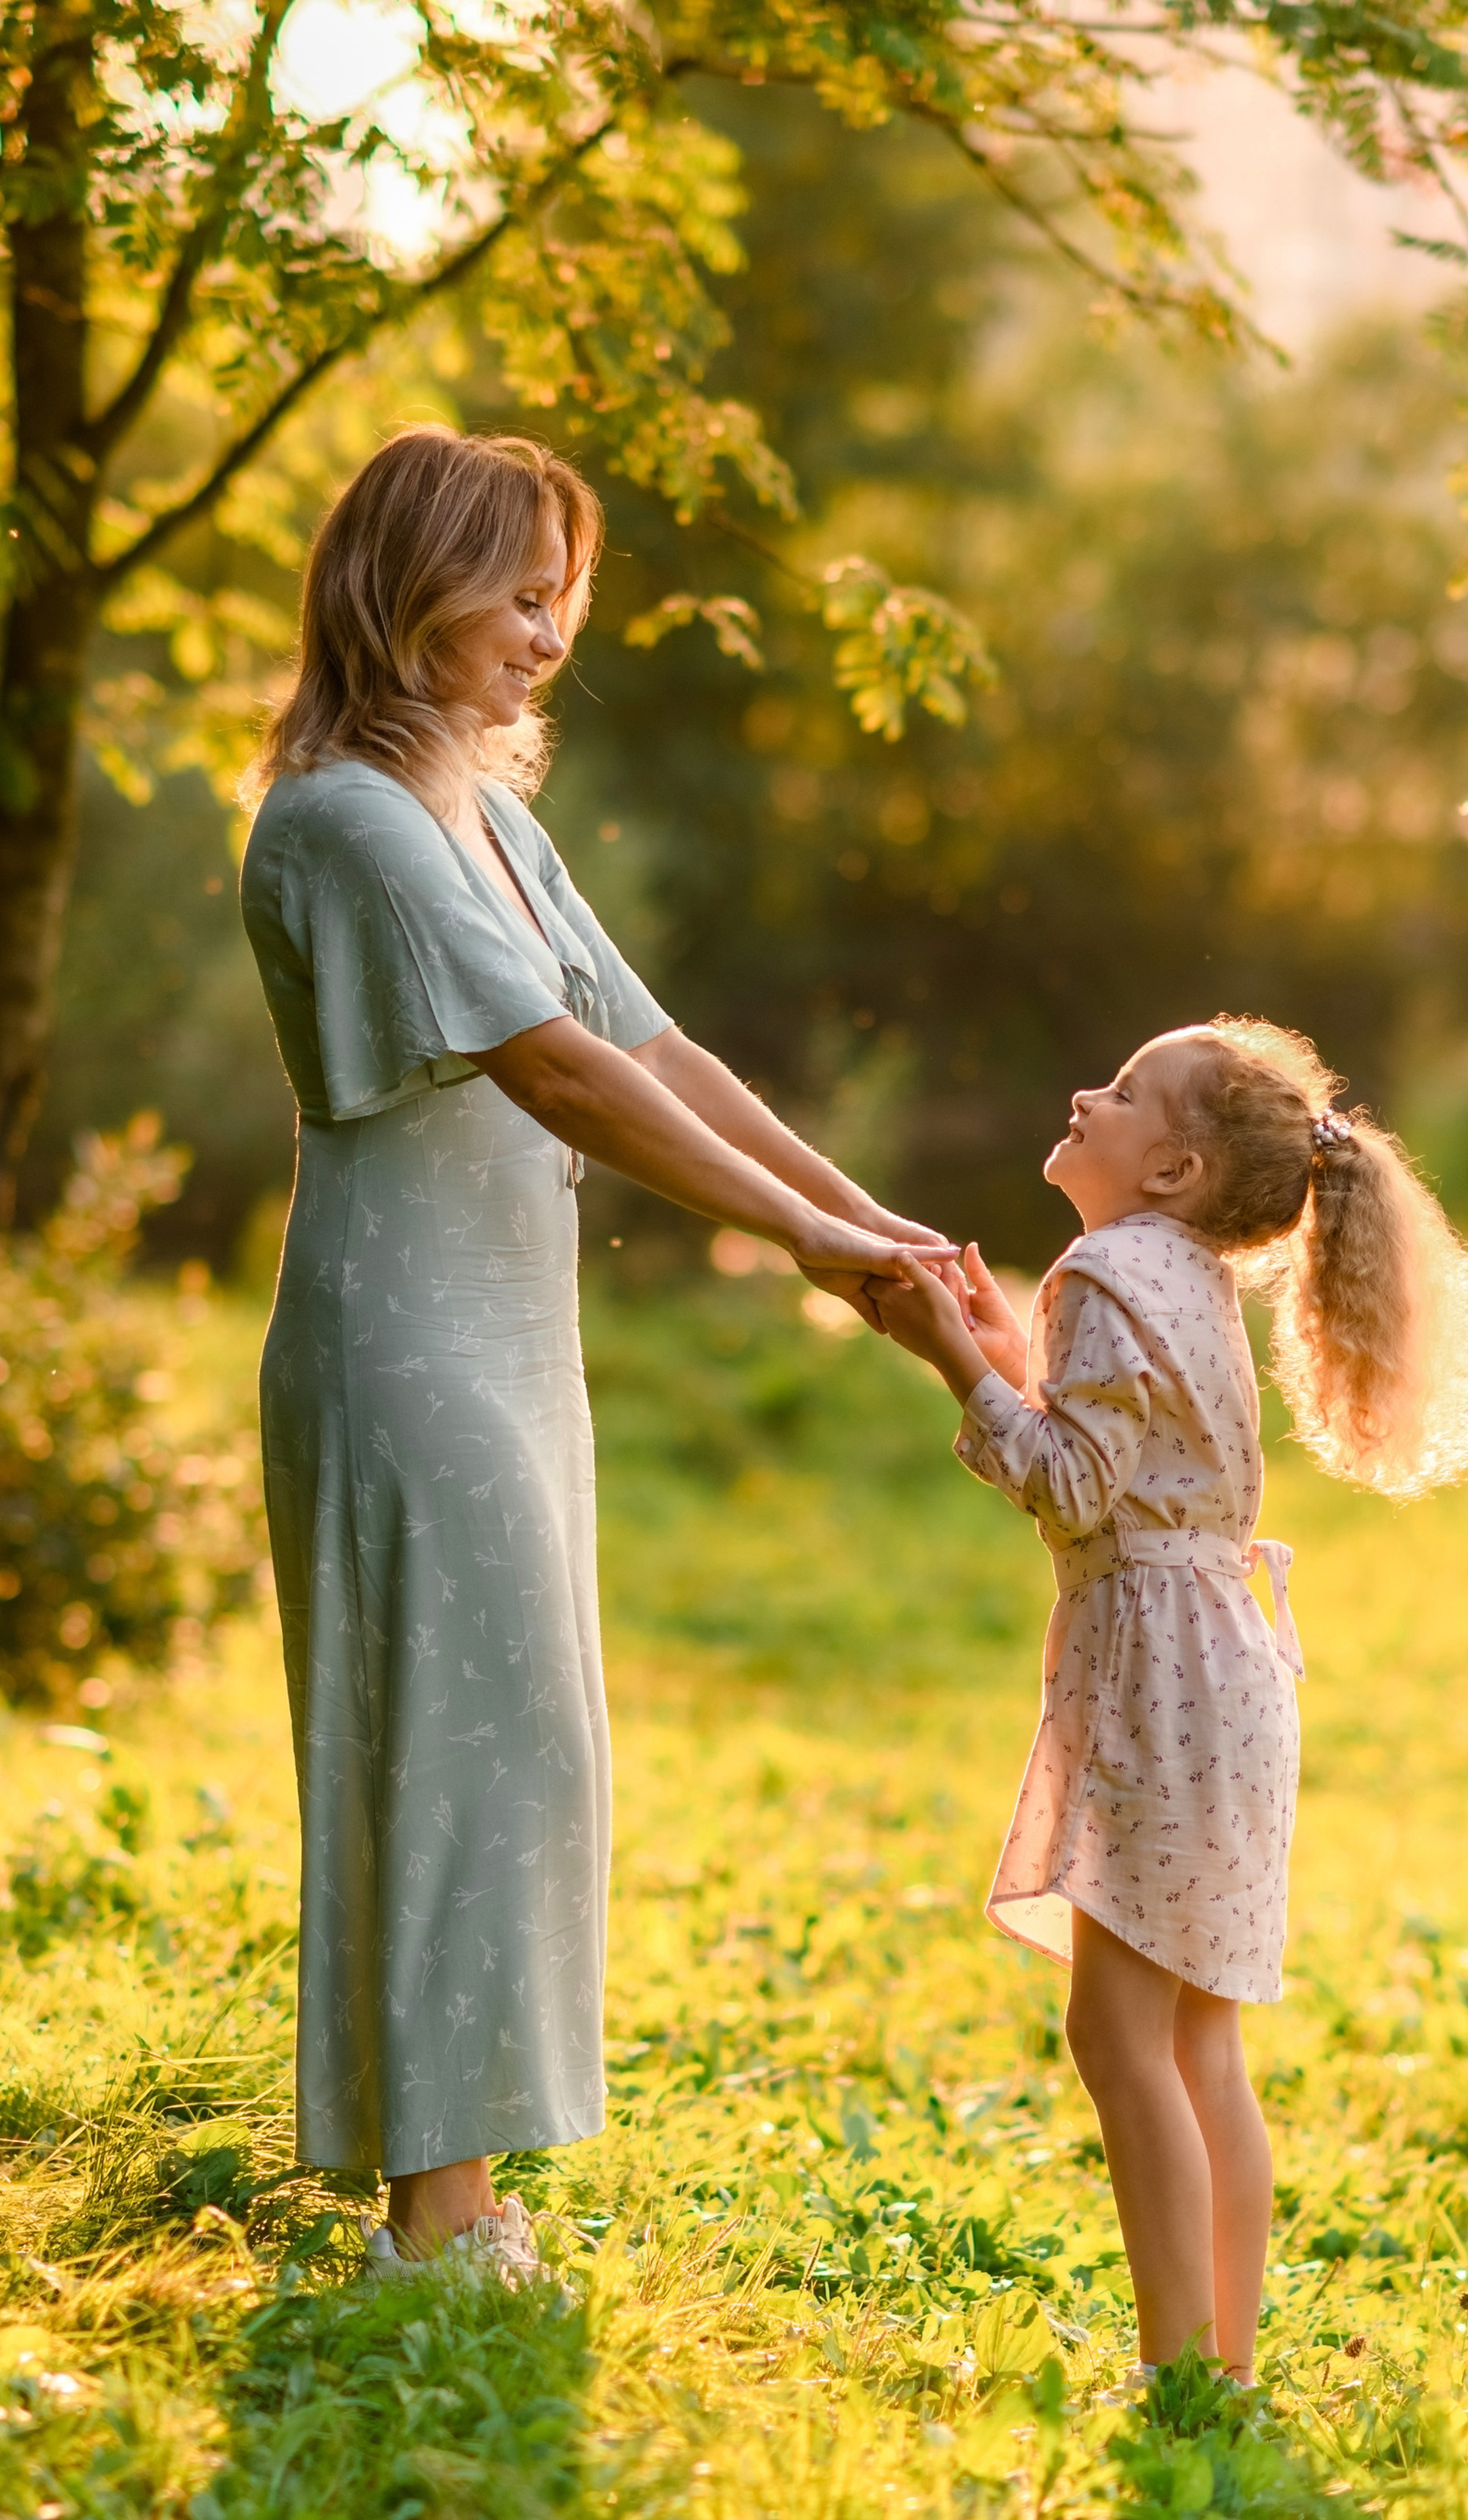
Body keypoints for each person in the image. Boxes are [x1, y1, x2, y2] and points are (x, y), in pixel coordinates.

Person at [240, 425, 952, 2277]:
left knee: (528, 1745)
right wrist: (801, 1242)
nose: (551, 632)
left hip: (508, 1338)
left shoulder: (484, 811)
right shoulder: (347, 817)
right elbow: (544, 1069)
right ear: (409, 587)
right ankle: (436, 2221)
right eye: (518, 590)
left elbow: (647, 1049)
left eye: (567, 597)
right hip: (402, 1342)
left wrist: (862, 1223)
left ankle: (457, 2194)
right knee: (455, 1748)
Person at [866, 1018, 1468, 2384]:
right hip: (1225, 1663)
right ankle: (1217, 2364)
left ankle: (1176, 2369)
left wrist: (953, 1359)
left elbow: (1078, 1489)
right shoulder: (1184, 1273)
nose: (1086, 1093)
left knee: (1115, 2029)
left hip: (1156, 1667)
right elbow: (1121, 1463)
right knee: (1194, 2030)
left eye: (1125, 1091)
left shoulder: (1101, 1270)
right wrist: (1005, 1360)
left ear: (1173, 1167)